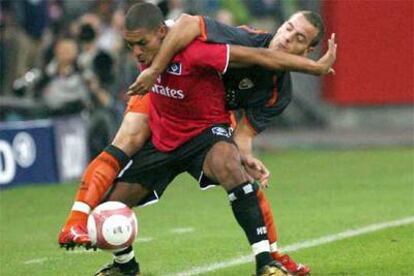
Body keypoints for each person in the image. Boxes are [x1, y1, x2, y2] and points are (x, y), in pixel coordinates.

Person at [58, 3, 336, 276]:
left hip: (205, 129)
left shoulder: (270, 89)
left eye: (299, 37)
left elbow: (247, 123)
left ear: (308, 50)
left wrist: (245, 156)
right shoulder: (236, 36)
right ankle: (123, 264)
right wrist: (154, 70)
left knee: (234, 168)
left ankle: (268, 260)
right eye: (288, 28)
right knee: (110, 205)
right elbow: (189, 23)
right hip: (161, 124)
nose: (288, 37)